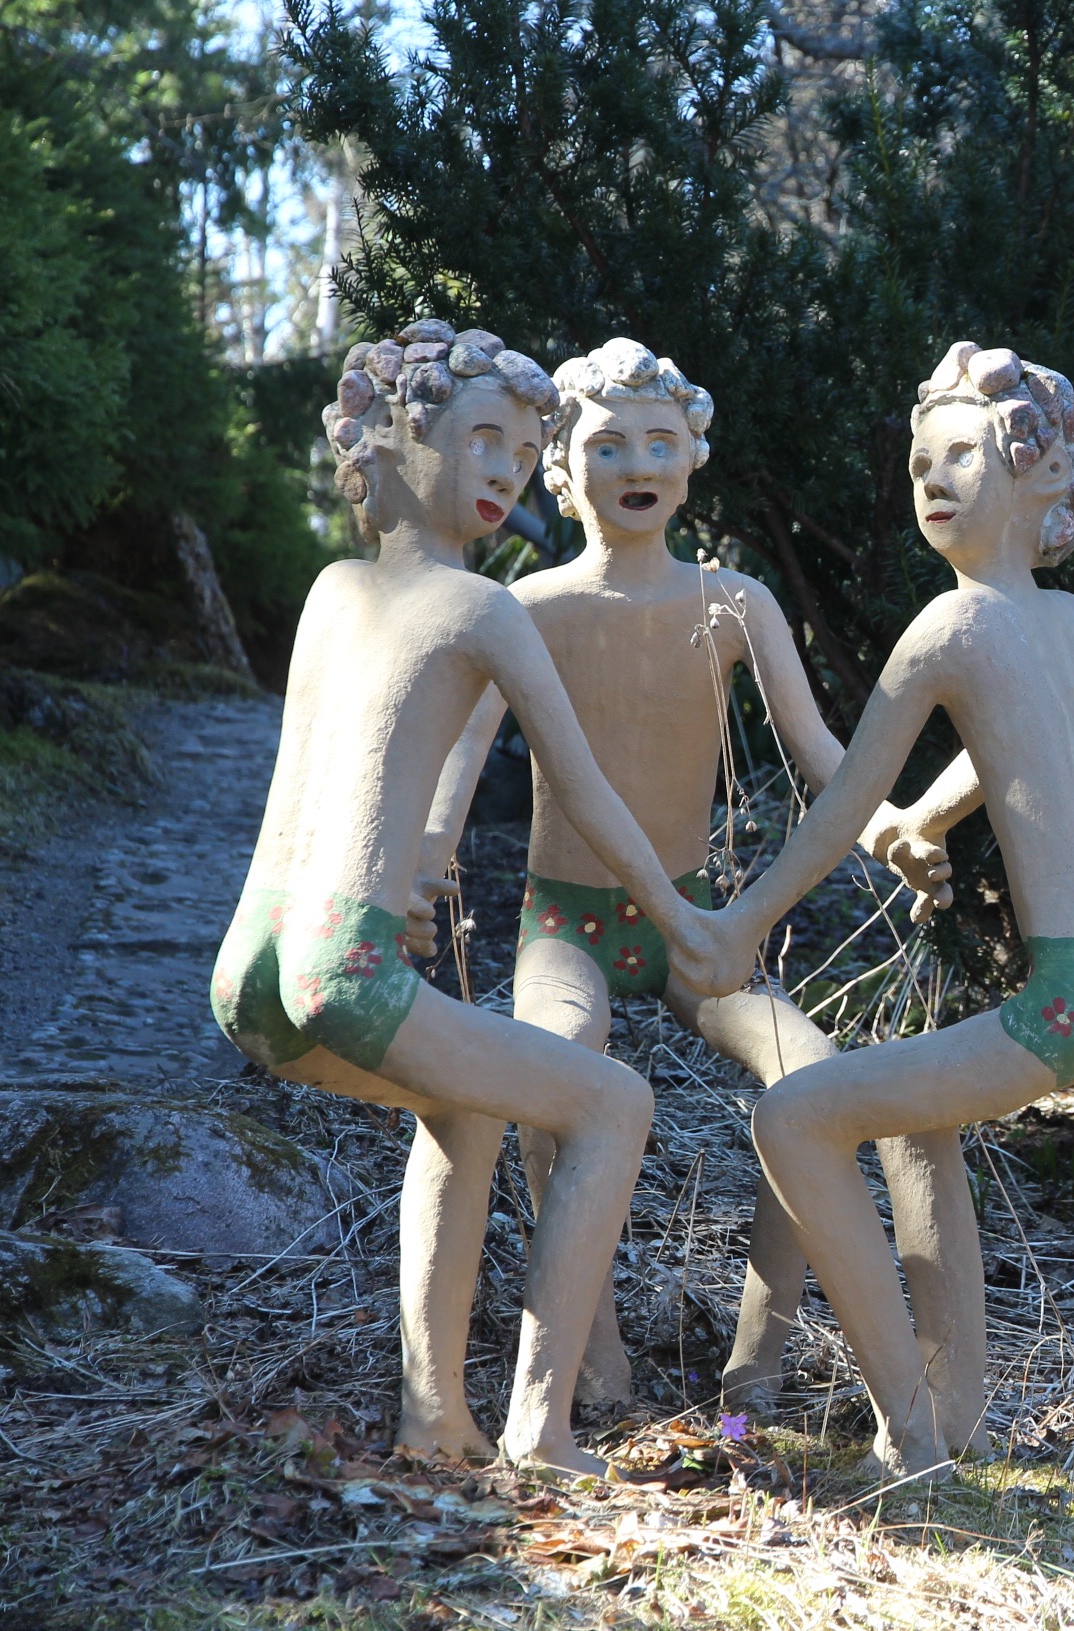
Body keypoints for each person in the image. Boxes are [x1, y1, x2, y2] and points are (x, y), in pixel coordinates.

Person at [418, 337, 983, 1428]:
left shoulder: (736, 603)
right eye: (608, 444)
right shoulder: (528, 606)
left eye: (659, 442)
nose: (637, 463)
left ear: (692, 460)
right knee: (553, 1073)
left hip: (697, 926)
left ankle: (756, 1363)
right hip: (565, 924)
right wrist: (426, 853)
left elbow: (825, 758)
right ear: (560, 465)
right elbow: (462, 753)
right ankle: (589, 1357)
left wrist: (894, 831)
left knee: (811, 1080)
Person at [209, 321, 728, 1476]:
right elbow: (584, 791)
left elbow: (329, 779)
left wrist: (412, 862)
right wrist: (683, 917)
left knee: (471, 1103)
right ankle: (543, 1429)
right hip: (345, 965)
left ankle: (435, 1418)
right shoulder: (484, 608)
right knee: (614, 1103)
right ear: (398, 437)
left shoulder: (333, 590)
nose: (506, 471)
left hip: (253, 964)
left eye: (524, 453)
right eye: (484, 438)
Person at [703, 341, 1074, 1476]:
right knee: (913, 1113)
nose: (931, 480)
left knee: (793, 1118)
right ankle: (958, 1414)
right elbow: (1027, 752)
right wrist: (929, 824)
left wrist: (739, 923)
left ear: (1039, 472)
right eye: (918, 464)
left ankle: (908, 1439)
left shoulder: (949, 629)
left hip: (1070, 992)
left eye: (960, 455)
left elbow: (835, 812)